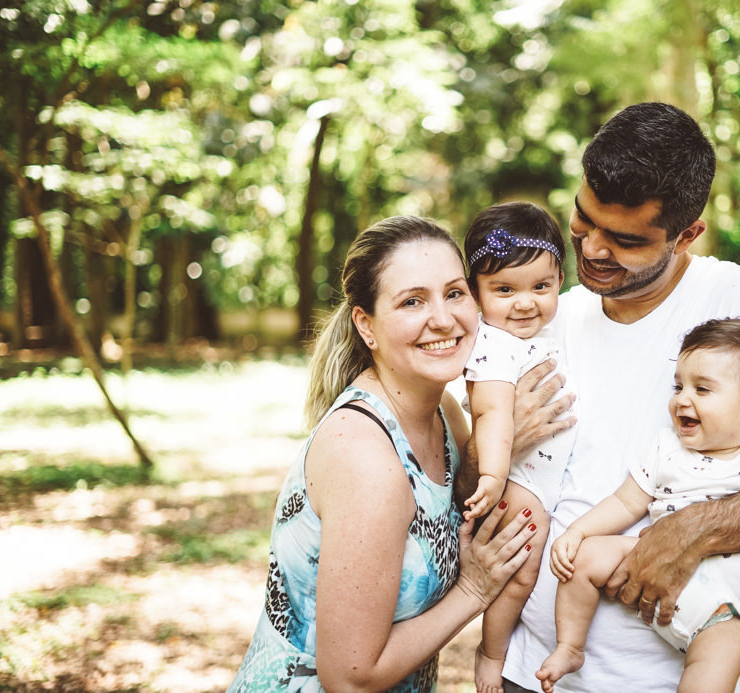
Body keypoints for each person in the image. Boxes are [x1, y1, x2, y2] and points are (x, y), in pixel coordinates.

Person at [478, 102, 740, 692]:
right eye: (584, 218)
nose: (593, 249)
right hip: (531, 670)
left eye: (624, 239)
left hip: (668, 678)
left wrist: (698, 529)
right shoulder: (547, 317)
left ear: (687, 235)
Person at [226, 216, 539, 693]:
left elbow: (452, 499)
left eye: (455, 293)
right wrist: (474, 590)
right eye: (412, 301)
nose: (443, 318)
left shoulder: (446, 416)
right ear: (365, 325)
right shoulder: (366, 459)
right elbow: (350, 677)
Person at [537, 318, 740, 693]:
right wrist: (578, 531)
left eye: (702, 389)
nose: (682, 398)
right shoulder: (667, 447)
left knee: (724, 652)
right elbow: (626, 501)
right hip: (647, 561)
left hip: (720, 611)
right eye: (679, 385)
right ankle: (570, 647)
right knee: (585, 557)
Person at [459, 202, 578, 693]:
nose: (525, 303)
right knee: (519, 579)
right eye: (504, 290)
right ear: (476, 294)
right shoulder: (492, 345)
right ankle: (491, 656)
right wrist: (492, 475)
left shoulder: (549, 332)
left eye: (540, 287)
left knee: (529, 578)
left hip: (538, 479)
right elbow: (489, 412)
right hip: (518, 482)